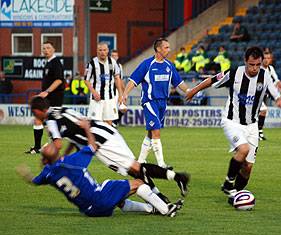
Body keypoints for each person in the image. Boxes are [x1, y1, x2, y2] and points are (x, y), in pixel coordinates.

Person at [30, 96, 190, 203]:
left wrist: (46, 156)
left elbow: (57, 144)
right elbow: (73, 135)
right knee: (134, 169)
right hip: (104, 130)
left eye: (33, 113)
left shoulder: (50, 121)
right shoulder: (60, 110)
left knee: (135, 168)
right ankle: (161, 198)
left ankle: (177, 178)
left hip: (100, 142)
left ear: (37, 111)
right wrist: (66, 156)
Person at [16, 119, 182, 217]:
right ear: (48, 157)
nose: (51, 144)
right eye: (48, 147)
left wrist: (27, 175)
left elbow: (35, 180)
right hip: (99, 198)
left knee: (117, 193)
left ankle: (150, 208)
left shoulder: (47, 173)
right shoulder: (70, 161)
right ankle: (165, 210)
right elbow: (93, 146)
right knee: (139, 182)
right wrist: (87, 129)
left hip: (89, 210)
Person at [185, 47, 281, 199]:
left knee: (247, 168)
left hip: (252, 125)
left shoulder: (265, 76)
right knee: (243, 149)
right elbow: (212, 80)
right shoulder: (233, 73)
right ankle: (228, 184)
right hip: (232, 121)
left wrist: (279, 99)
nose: (255, 68)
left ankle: (236, 195)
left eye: (258, 65)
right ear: (245, 61)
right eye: (252, 64)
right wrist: (194, 90)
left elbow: (273, 91)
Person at [122, 38, 191, 168]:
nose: (169, 50)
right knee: (156, 131)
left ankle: (141, 161)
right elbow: (133, 80)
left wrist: (188, 91)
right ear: (158, 49)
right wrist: (125, 94)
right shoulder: (147, 64)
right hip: (150, 102)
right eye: (166, 47)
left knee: (151, 132)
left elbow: (178, 82)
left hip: (163, 103)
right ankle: (161, 164)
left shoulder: (169, 65)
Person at [25, 41, 65, 154]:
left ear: (53, 50)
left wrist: (47, 91)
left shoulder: (56, 62)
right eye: (44, 48)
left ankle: (55, 146)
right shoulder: (48, 63)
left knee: (52, 124)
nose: (46, 50)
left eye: (48, 48)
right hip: (47, 99)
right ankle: (37, 147)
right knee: (38, 119)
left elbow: (59, 80)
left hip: (55, 98)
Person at [84, 42, 124, 126]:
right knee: (95, 124)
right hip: (96, 99)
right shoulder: (92, 63)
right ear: (97, 51)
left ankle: (107, 139)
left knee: (109, 123)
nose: (102, 52)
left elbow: (117, 78)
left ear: (107, 51)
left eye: (104, 50)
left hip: (109, 98)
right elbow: (86, 80)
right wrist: (94, 92)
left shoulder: (113, 62)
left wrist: (120, 95)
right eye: (100, 50)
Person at [258, 51, 281, 140]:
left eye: (268, 58)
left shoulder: (270, 69)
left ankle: (258, 132)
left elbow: (276, 80)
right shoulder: (258, 69)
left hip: (264, 95)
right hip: (255, 95)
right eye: (265, 58)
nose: (266, 60)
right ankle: (258, 132)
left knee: (260, 112)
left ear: (271, 60)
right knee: (262, 110)